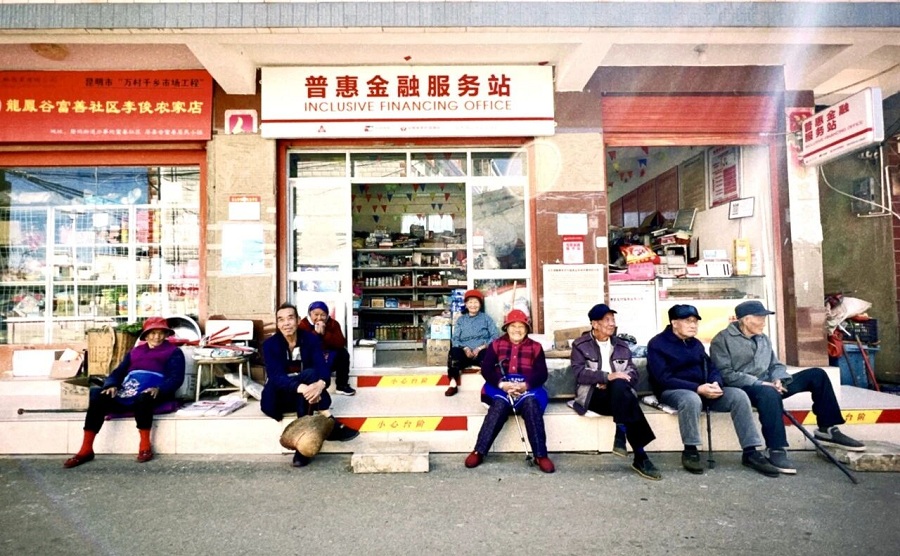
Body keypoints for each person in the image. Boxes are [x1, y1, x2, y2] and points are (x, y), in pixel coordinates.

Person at [710, 300, 866, 475]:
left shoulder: (763, 338)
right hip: (746, 387)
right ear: (746, 320)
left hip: (770, 384)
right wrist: (761, 383)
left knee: (817, 375)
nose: (763, 322)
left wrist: (778, 378)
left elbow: (775, 365)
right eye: (760, 318)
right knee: (769, 393)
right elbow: (725, 373)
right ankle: (776, 448)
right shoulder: (722, 340)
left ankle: (827, 428)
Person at [647, 304, 780, 477]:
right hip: (674, 390)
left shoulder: (695, 344)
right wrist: (697, 388)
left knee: (738, 396)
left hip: (704, 389)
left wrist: (716, 383)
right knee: (691, 398)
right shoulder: (657, 344)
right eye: (688, 321)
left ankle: (751, 452)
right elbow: (662, 378)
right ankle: (690, 450)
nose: (693, 325)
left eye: (695, 321)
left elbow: (711, 367)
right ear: (674, 323)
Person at [63, 317, 185, 468]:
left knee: (144, 398)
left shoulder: (174, 352)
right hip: (128, 389)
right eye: (153, 333)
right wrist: (112, 385)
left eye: (161, 333)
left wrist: (159, 389)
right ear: (146, 335)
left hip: (153, 391)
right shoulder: (135, 352)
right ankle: (86, 449)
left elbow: (176, 378)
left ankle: (145, 446)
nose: (157, 337)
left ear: (166, 335)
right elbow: (119, 372)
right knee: (97, 395)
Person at [261, 302, 359, 468]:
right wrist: (303, 388)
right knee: (306, 383)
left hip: (304, 396)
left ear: (298, 320)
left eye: (290, 318)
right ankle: (330, 421)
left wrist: (321, 384)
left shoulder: (310, 339)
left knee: (312, 374)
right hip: (278, 397)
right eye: (281, 320)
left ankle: (302, 449)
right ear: (277, 324)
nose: (286, 323)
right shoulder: (270, 345)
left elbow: (322, 367)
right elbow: (276, 377)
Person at [570, 303, 661, 481]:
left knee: (620, 387)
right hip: (593, 396)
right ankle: (638, 454)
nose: (612, 323)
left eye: (613, 319)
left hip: (618, 395)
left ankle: (623, 435)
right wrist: (606, 377)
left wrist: (616, 380)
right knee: (626, 399)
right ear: (595, 324)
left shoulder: (622, 346)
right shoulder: (580, 345)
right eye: (607, 320)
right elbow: (579, 373)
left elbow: (633, 373)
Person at [464, 309, 555, 473]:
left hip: (526, 389)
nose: (517, 330)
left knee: (531, 405)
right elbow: (486, 370)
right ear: (507, 328)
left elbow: (542, 373)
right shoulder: (496, 344)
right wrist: (502, 384)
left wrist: (525, 385)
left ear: (527, 329)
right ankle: (479, 451)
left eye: (521, 326)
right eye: (513, 326)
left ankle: (541, 455)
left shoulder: (535, 347)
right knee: (498, 405)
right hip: (501, 388)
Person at [445, 289, 500, 397]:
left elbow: (495, 336)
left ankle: (491, 384)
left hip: (481, 351)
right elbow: (455, 338)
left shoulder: (486, 319)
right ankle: (453, 384)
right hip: (464, 352)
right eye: (470, 302)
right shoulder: (461, 320)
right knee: (454, 353)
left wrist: (481, 348)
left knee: (488, 355)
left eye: (476, 302)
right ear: (466, 304)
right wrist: (465, 348)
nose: (473, 305)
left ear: (480, 304)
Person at [297, 300, 356, 396]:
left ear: (327, 315)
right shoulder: (303, 324)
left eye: (323, 315)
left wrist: (325, 333)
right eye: (316, 314)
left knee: (343, 353)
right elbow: (304, 343)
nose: (319, 318)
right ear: (310, 314)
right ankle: (309, 383)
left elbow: (341, 342)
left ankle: (342, 385)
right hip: (312, 358)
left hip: (329, 355)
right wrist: (315, 333)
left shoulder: (333, 323)